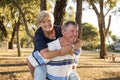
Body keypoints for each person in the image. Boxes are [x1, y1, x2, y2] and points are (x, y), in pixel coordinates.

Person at [27, 11, 82, 80]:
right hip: (43, 58)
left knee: (72, 74)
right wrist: (63, 51)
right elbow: (45, 55)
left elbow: (79, 43)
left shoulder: (60, 30)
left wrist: (71, 47)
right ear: (40, 24)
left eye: (49, 21)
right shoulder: (38, 35)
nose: (47, 24)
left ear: (53, 21)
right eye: (43, 22)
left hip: (58, 59)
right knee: (40, 72)